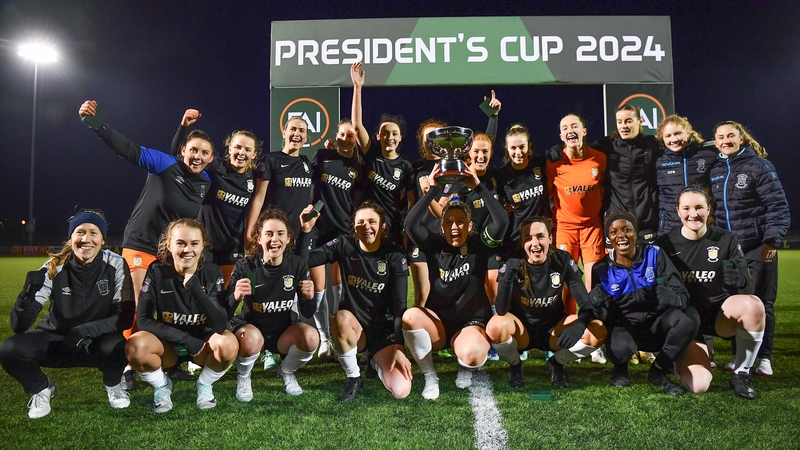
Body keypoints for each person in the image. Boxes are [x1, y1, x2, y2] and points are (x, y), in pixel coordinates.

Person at [79, 100, 214, 389]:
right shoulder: (163, 163)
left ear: (211, 158)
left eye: (204, 153)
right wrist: (95, 122)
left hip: (171, 253)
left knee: (169, 305)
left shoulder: (205, 182)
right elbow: (127, 148)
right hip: (141, 244)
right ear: (182, 151)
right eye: (193, 150)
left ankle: (170, 362)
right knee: (139, 305)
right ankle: (129, 365)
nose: (198, 156)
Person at [0, 210, 134, 419]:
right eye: (80, 232)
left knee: (120, 345)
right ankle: (42, 388)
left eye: (93, 233)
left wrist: (86, 330)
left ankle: (113, 384)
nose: (86, 239)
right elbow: (19, 326)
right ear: (71, 238)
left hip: (96, 342)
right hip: (59, 342)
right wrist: (26, 295)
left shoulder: (116, 264)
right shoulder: (53, 267)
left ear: (103, 239)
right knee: (9, 349)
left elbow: (124, 317)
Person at [402, 164, 508, 399]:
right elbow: (410, 225)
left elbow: (501, 222)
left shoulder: (479, 244)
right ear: (442, 226)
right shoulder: (434, 245)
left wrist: (479, 187)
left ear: (470, 225)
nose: (455, 227)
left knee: (472, 355)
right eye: (448, 222)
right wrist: (430, 192)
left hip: (471, 322)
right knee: (410, 316)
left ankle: (464, 365)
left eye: (460, 221)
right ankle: (430, 377)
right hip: (439, 323)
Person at [657, 187, 765, 399]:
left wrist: (741, 280)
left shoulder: (726, 240)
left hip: (720, 316)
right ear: (678, 211)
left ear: (709, 209)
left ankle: (742, 372)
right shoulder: (665, 244)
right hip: (687, 324)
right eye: (686, 208)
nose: (693, 214)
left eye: (699, 207)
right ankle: (680, 358)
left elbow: (749, 289)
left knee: (753, 305)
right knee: (698, 385)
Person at [300, 201, 413, 401]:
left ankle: (374, 360)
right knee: (340, 318)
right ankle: (354, 378)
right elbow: (304, 261)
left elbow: (400, 307)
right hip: (354, 328)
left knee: (401, 390)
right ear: (354, 226)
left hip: (383, 332)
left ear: (382, 226)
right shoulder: (345, 244)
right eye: (360, 222)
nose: (366, 226)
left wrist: (399, 347)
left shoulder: (394, 255)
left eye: (372, 221)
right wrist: (306, 231)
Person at [125, 219, 238, 413]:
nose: (188, 250)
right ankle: (162, 386)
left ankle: (204, 385)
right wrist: (184, 339)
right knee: (135, 346)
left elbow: (221, 325)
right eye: (180, 243)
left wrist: (196, 288)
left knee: (229, 344)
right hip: (168, 347)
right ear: (169, 245)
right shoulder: (156, 270)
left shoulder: (212, 272)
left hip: (203, 347)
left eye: (194, 243)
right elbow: (143, 320)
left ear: (203, 246)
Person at [487, 217, 606, 389]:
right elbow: (501, 309)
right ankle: (515, 365)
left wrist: (580, 325)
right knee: (495, 326)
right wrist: (506, 279)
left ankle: (556, 363)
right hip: (522, 331)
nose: (534, 243)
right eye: (528, 238)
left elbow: (585, 303)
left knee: (598, 330)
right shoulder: (513, 261)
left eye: (540, 236)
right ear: (522, 242)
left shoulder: (562, 259)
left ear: (550, 239)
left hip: (553, 330)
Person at [710, 121, 790, 376]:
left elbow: (778, 207)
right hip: (730, 252)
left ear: (741, 138)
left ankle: (764, 358)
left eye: (730, 135)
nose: (725, 140)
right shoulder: (715, 170)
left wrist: (771, 241)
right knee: (736, 302)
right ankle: (739, 355)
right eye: (720, 137)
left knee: (762, 303)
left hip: (758, 248)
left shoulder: (759, 166)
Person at [590, 211, 698, 396]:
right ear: (609, 238)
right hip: (627, 329)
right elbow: (604, 317)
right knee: (618, 347)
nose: (621, 236)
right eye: (614, 232)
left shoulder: (654, 254)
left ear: (636, 233)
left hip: (658, 327)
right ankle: (620, 367)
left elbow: (683, 296)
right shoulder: (601, 269)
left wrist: (671, 298)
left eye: (627, 230)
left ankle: (659, 369)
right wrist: (598, 306)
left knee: (689, 319)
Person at [228, 208, 318, 399]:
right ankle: (244, 377)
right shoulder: (247, 267)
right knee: (250, 339)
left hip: (282, 333)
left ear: (288, 239)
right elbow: (224, 313)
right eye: (268, 234)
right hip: (253, 333)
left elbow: (308, 312)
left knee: (311, 337)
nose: (274, 239)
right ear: (259, 238)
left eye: (280, 234)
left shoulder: (297, 265)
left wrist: (310, 297)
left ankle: (285, 371)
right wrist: (234, 296)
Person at [171, 109, 261, 285]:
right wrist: (183, 126)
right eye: (237, 147)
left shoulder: (256, 179)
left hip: (233, 247)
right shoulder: (216, 167)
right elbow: (178, 155)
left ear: (254, 155)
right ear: (229, 148)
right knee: (198, 291)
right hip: (205, 244)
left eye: (247, 149)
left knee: (225, 295)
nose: (241, 152)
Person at [307, 119, 363, 360]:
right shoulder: (322, 156)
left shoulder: (359, 165)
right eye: (342, 134)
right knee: (318, 287)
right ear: (336, 135)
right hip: (318, 228)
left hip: (343, 231)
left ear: (356, 139)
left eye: (350, 136)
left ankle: (339, 334)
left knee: (338, 288)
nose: (345, 139)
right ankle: (324, 338)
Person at [546, 114, 606, 311]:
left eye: (574, 126)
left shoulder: (599, 158)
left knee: (593, 281)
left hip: (592, 228)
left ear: (584, 132)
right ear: (561, 136)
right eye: (565, 128)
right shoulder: (553, 163)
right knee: (566, 282)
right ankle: (568, 324)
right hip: (565, 229)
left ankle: (594, 325)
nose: (570, 131)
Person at [350, 62, 414, 248]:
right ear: (378, 136)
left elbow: (411, 200)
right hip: (366, 222)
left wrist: (407, 226)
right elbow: (356, 125)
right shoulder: (372, 153)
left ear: (400, 138)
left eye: (394, 133)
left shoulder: (405, 166)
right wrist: (357, 88)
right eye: (385, 133)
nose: (390, 137)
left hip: (391, 225)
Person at [593, 104, 661, 243]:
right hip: (617, 221)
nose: (623, 126)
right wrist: (558, 150)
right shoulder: (606, 146)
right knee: (619, 265)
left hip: (646, 222)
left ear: (640, 121)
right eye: (620, 122)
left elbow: (677, 146)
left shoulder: (653, 145)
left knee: (648, 264)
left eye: (628, 121)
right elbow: (579, 153)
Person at [245, 116, 313, 245]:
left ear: (306, 137)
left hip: (300, 235)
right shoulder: (271, 159)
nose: (297, 134)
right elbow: (258, 198)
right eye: (293, 129)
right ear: (284, 133)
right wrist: (250, 231)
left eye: (301, 131)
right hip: (275, 234)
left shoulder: (306, 163)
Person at [655, 115, 717, 236]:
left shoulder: (707, 155)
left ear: (688, 132)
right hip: (670, 226)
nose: (673, 139)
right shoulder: (658, 160)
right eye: (668, 136)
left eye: (678, 133)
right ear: (662, 138)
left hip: (701, 224)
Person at [499, 124, 550, 257]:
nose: (518, 152)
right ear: (507, 149)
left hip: (542, 237)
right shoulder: (502, 176)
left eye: (522, 147)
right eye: (513, 148)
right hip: (516, 241)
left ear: (529, 146)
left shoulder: (541, 164)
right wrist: (502, 206)